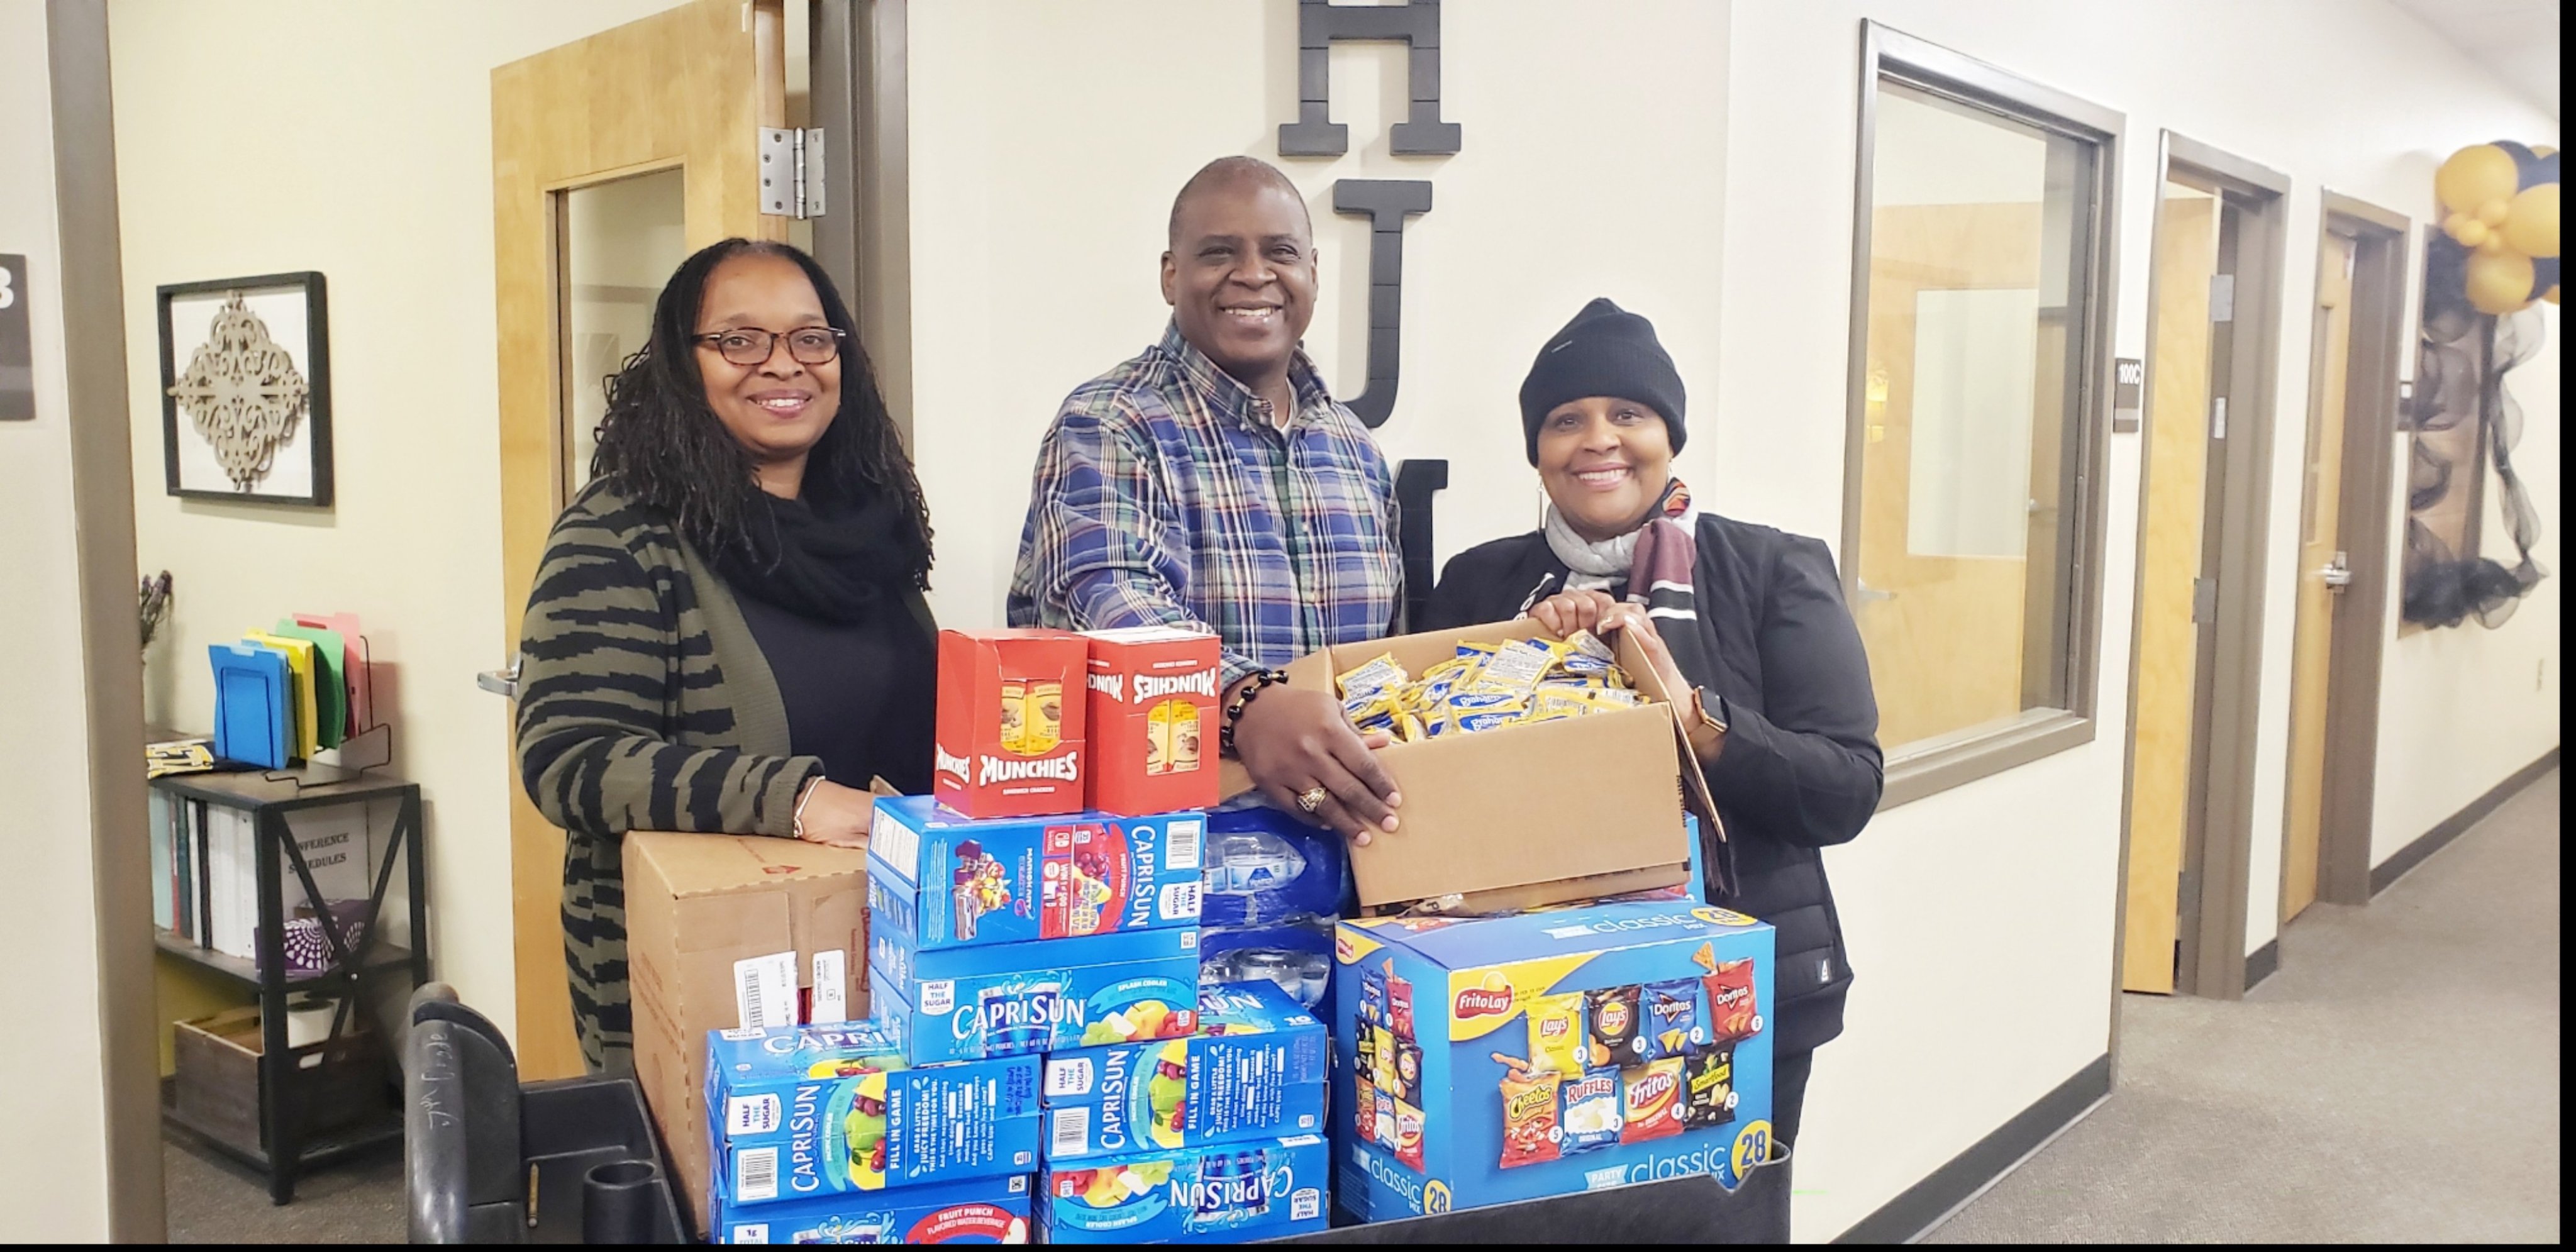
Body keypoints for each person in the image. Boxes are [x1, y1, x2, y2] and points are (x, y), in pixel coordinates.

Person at [1423, 297, 1882, 1151]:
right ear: (1538, 452)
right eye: (1566, 419)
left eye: (1627, 413)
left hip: (1737, 990)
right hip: (1524, 989)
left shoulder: (1770, 569)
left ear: (1668, 436)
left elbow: (1846, 788)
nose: (1598, 438)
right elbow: (1436, 772)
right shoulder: (1481, 586)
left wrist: (1690, 711)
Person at [514, 238, 936, 1073]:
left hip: (891, 968)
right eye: (740, 340)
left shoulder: (869, 527)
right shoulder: (619, 533)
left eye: (811, 338)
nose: (785, 365)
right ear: (682, 362)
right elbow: (568, 758)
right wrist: (798, 797)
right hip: (723, 996)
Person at [1009, 156, 1405, 845]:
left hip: (1357, 852)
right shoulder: (1108, 423)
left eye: (1279, 252)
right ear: (1170, 274)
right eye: (1219, 253)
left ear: (1312, 270)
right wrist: (1245, 702)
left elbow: (1387, 657)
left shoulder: (1355, 447)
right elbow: (1107, 600)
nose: (1253, 274)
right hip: (1169, 864)